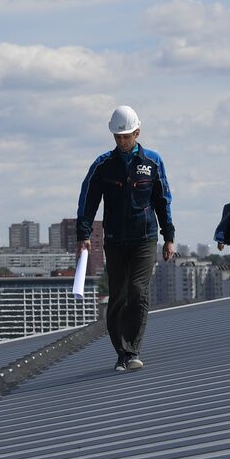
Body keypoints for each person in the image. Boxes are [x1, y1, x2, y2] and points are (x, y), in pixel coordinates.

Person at [76, 105, 176, 372]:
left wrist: (169, 237)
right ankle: (121, 352)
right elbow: (88, 200)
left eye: (126, 136)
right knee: (118, 296)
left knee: (138, 291)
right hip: (115, 239)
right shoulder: (103, 165)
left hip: (145, 238)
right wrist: (83, 234)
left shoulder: (152, 162)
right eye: (118, 137)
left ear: (137, 133)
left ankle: (132, 351)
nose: (122, 141)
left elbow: (163, 200)